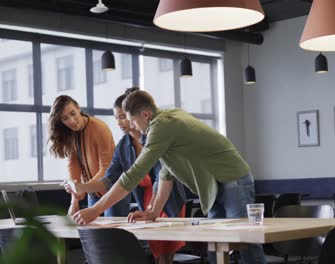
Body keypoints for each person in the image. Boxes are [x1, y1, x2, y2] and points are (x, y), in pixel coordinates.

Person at [72, 90, 266, 264]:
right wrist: (154, 211)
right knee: (216, 247)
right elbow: (166, 172)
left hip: (233, 179)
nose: (131, 126)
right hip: (214, 185)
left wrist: (95, 210)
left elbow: (134, 174)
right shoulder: (167, 119)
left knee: (245, 243)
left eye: (132, 120)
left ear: (145, 115)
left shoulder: (161, 126)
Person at [64, 88, 186, 264]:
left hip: (168, 196)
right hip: (146, 201)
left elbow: (164, 176)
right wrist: (83, 187)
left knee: (167, 252)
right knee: (158, 251)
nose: (120, 122)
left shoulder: (155, 135)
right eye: (116, 118)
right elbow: (108, 180)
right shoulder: (122, 146)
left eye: (122, 117)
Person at [48, 95, 130, 216]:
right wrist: (74, 201)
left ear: (78, 108)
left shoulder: (99, 128)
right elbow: (73, 166)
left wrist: (84, 187)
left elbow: (106, 168)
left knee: (112, 233)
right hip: (92, 193)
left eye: (73, 113)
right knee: (93, 233)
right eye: (65, 118)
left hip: (113, 191)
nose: (71, 120)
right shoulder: (70, 134)